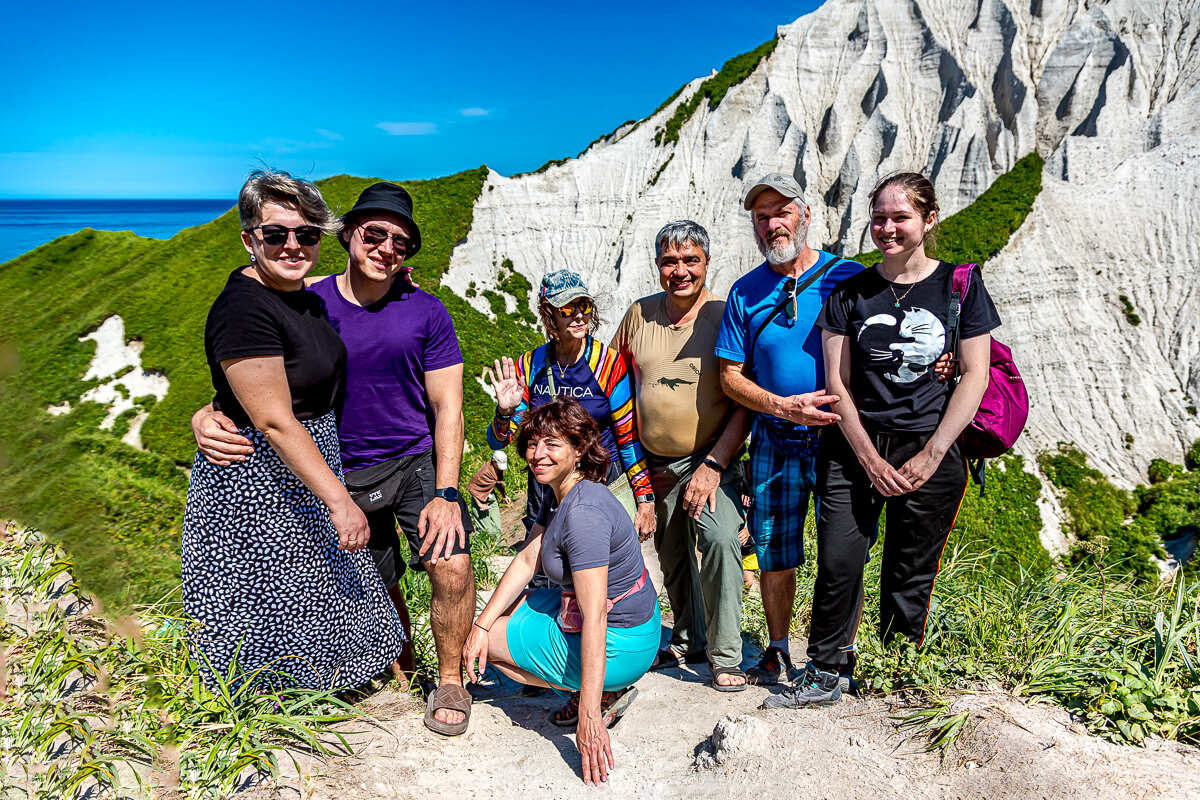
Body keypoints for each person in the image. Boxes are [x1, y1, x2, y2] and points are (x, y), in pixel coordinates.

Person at [191, 182, 476, 735]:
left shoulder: (427, 311)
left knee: (452, 563)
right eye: (374, 234)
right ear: (347, 235)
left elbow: (449, 408)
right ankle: (397, 662)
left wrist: (447, 493)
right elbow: (261, 384)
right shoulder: (306, 298)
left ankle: (449, 681)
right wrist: (206, 413)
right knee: (375, 580)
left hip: (412, 460)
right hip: (340, 470)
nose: (387, 248)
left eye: (401, 242)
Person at [773, 172, 999, 707]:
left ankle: (897, 673)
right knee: (839, 560)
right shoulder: (850, 292)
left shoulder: (961, 286)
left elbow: (975, 374)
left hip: (932, 446)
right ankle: (827, 670)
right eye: (879, 217)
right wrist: (868, 456)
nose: (888, 228)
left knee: (910, 568)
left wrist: (935, 451)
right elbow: (837, 384)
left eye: (901, 217)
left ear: (929, 219)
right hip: (854, 449)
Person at [182, 170, 405, 693]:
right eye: (275, 233)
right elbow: (274, 418)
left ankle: (315, 700)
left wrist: (399, 280)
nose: (292, 245)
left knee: (314, 592)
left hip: (301, 467)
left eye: (306, 234)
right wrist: (340, 500)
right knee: (271, 599)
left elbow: (256, 384)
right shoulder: (244, 307)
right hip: (260, 480)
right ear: (248, 239)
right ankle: (265, 724)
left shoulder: (301, 296)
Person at [462, 398, 660, 787]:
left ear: (579, 448)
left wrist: (586, 718)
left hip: (624, 640)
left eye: (552, 444)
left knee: (496, 656)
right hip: (634, 620)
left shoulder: (583, 514)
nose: (538, 454)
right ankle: (598, 687)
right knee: (497, 624)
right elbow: (525, 561)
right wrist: (481, 625)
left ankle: (599, 694)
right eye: (533, 443)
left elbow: (596, 615)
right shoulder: (560, 495)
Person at [715, 174, 863, 687]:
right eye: (762, 217)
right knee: (775, 548)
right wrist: (782, 406)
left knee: (843, 549)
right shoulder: (745, 291)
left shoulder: (846, 277)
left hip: (840, 438)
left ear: (805, 214)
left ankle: (841, 651)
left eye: (782, 212)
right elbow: (730, 377)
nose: (773, 224)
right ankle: (777, 649)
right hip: (775, 438)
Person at [611, 220, 750, 691]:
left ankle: (726, 654)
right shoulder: (639, 315)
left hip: (710, 458)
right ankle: (690, 638)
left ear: (707, 263)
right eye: (670, 261)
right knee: (670, 553)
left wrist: (713, 466)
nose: (680, 271)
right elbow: (612, 381)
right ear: (657, 266)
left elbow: (743, 401)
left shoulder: (723, 313)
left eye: (691, 260)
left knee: (720, 537)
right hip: (650, 462)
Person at [486, 270, 655, 538]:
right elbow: (498, 442)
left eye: (584, 306)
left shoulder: (609, 365)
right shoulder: (530, 366)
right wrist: (504, 412)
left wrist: (645, 499)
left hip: (599, 484)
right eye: (567, 308)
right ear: (548, 312)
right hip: (546, 494)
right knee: (546, 574)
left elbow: (628, 439)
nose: (579, 316)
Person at [466, 450, 509, 543]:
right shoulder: (484, 472)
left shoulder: (499, 470)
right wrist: (480, 504)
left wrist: (504, 495)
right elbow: (471, 488)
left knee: (497, 530)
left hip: (491, 498)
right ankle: (482, 550)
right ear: (493, 460)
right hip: (479, 501)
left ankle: (498, 549)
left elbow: (498, 483)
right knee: (487, 530)